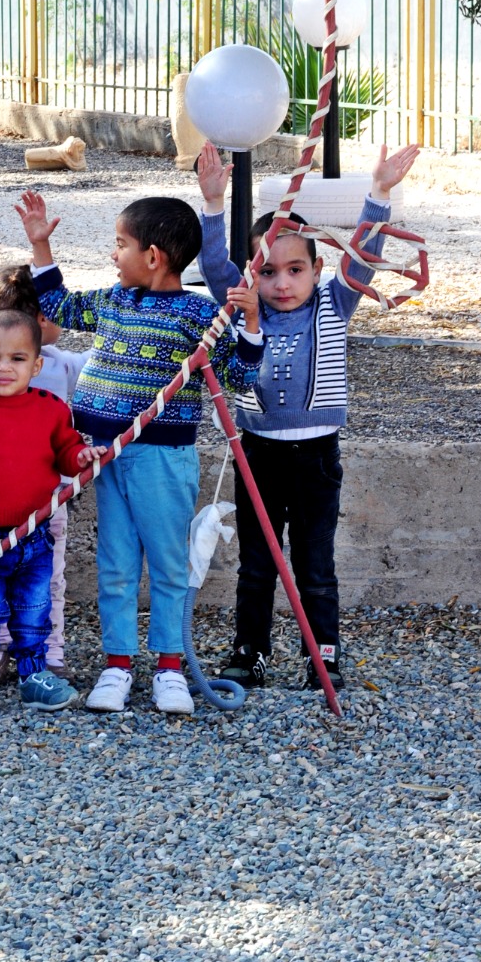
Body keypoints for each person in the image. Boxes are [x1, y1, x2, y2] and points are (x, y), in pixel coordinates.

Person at [17, 190, 264, 715]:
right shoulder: (114, 300)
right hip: (105, 457)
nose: (113, 254)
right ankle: (118, 665)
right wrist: (40, 245)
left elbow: (240, 378)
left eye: (120, 244)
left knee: (169, 563)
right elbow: (58, 305)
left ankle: (170, 667)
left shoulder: (200, 314)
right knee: (116, 564)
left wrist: (252, 324)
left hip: (161, 458)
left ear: (153, 256)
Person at [196, 140, 420, 692]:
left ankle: (323, 655)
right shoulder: (244, 308)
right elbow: (213, 264)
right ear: (253, 275)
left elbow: (362, 256)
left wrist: (379, 191)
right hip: (257, 454)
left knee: (315, 565)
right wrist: (213, 203)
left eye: (295, 270)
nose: (282, 283)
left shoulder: (333, 303)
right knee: (257, 563)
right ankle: (249, 653)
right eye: (269, 272)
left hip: (317, 457)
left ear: (317, 270)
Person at [0, 310, 105, 718]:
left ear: (36, 365)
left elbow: (66, 451)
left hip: (35, 536)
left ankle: (34, 676)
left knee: (35, 613)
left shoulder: (52, 410)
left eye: (17, 359)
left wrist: (80, 456)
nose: (4, 367)